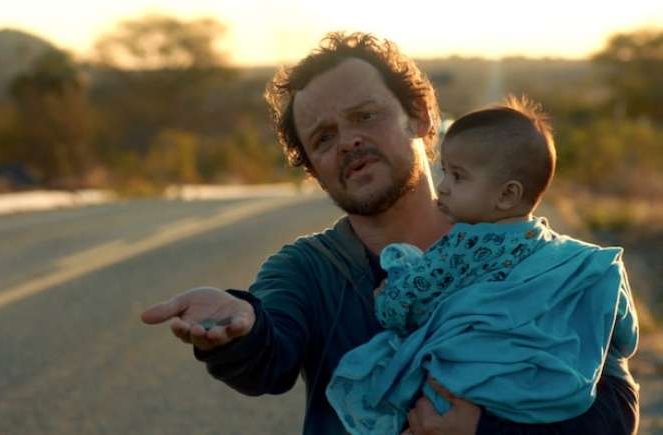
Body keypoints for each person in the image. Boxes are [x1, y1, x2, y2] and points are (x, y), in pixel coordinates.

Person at [141, 32, 639, 434]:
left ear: (420, 117)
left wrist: (486, 430)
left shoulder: (533, 256)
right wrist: (239, 331)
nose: (349, 141)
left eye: (365, 116)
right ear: (313, 168)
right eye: (324, 137)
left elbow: (614, 410)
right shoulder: (310, 270)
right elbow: (268, 357)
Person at [325, 97, 639, 434]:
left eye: (458, 177)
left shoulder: (460, 248)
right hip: (547, 392)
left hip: (470, 387)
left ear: (506, 195)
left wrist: (388, 295)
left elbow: (404, 307)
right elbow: (622, 331)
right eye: (445, 171)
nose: (442, 186)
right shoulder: (570, 258)